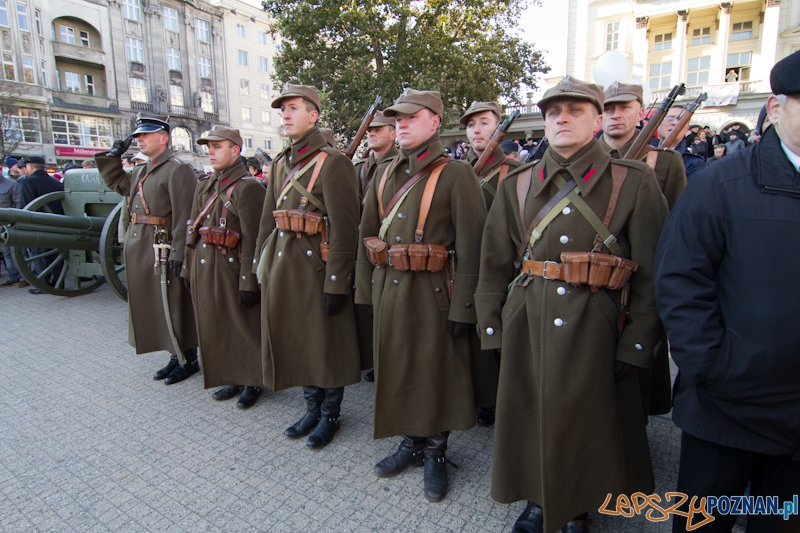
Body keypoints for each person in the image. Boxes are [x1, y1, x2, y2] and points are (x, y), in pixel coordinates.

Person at [475, 76, 667, 533]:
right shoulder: (517, 184)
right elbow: (494, 263)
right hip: (528, 316)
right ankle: (538, 497)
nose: (561, 118)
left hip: (598, 323)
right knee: (530, 410)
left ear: (598, 119)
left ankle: (578, 505)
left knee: (587, 419)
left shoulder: (633, 181)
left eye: (575, 110)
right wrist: (492, 326)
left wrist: (637, 344)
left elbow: (654, 275)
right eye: (552, 111)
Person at [655, 50, 800, 533]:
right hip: (727, 407)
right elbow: (679, 281)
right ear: (776, 110)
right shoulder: (719, 185)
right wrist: (715, 367)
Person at [355, 88, 487, 502]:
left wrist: (465, 307)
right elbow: (367, 234)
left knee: (434, 370)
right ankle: (411, 440)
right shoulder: (383, 171)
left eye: (413, 117)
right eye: (399, 118)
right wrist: (365, 291)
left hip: (435, 293)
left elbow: (473, 246)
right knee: (398, 365)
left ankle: (435, 450)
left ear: (435, 122)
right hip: (390, 287)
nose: (403, 124)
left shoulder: (456, 174)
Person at [254, 84, 361, 449]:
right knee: (298, 338)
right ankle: (311, 407)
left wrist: (336, 282)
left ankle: (331, 414)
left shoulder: (333, 162)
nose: (285, 114)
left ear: (313, 115)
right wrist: (259, 268)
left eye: (293, 108)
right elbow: (267, 222)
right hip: (285, 268)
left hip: (317, 270)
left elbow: (347, 227)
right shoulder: (282, 162)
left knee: (325, 343)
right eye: (282, 109)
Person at [597, 82, 686, 417]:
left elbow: (676, 227)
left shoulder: (664, 162)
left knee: (637, 366)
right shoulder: (584, 161)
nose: (616, 115)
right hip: (595, 277)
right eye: (609, 108)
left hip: (643, 275)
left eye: (624, 108)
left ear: (641, 112)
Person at [95, 115, 199, 384]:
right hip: (144, 247)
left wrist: (179, 252)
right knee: (156, 304)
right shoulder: (143, 169)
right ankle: (174, 355)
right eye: (137, 136)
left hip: (164, 247)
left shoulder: (178, 170)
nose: (138, 139)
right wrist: (112, 158)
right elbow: (120, 185)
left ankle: (187, 358)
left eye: (145, 135)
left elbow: (184, 215)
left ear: (163, 138)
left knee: (174, 303)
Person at [186, 127, 265, 409]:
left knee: (242, 325)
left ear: (235, 150)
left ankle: (254, 379)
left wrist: (248, 281)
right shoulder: (206, 184)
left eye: (217, 146)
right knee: (217, 323)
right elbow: (193, 228)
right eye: (209, 147)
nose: (210, 151)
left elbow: (254, 238)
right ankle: (231, 375)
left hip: (232, 267)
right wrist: (187, 268)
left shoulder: (248, 187)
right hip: (206, 266)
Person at [461, 100, 523, 428]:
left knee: (499, 337)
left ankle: (500, 400)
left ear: (499, 127)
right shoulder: (458, 170)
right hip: (463, 267)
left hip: (500, 269)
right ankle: (479, 394)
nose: (477, 130)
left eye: (484, 123)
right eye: (471, 125)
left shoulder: (514, 174)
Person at [352, 110, 398, 382]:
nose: (371, 133)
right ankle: (372, 359)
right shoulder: (359, 168)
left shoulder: (397, 168)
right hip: (361, 243)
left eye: (378, 129)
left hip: (384, 245)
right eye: (369, 129)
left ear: (393, 134)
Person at [651, 105, 705, 181]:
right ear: (658, 124)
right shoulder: (642, 152)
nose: (675, 123)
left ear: (687, 129)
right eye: (670, 118)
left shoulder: (694, 163)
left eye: (681, 120)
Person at [0, 167, 25, 287]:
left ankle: (23, 277)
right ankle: (13, 277)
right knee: (6, 253)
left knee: (18, 252)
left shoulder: (12, 185)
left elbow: (18, 203)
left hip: (10, 223)